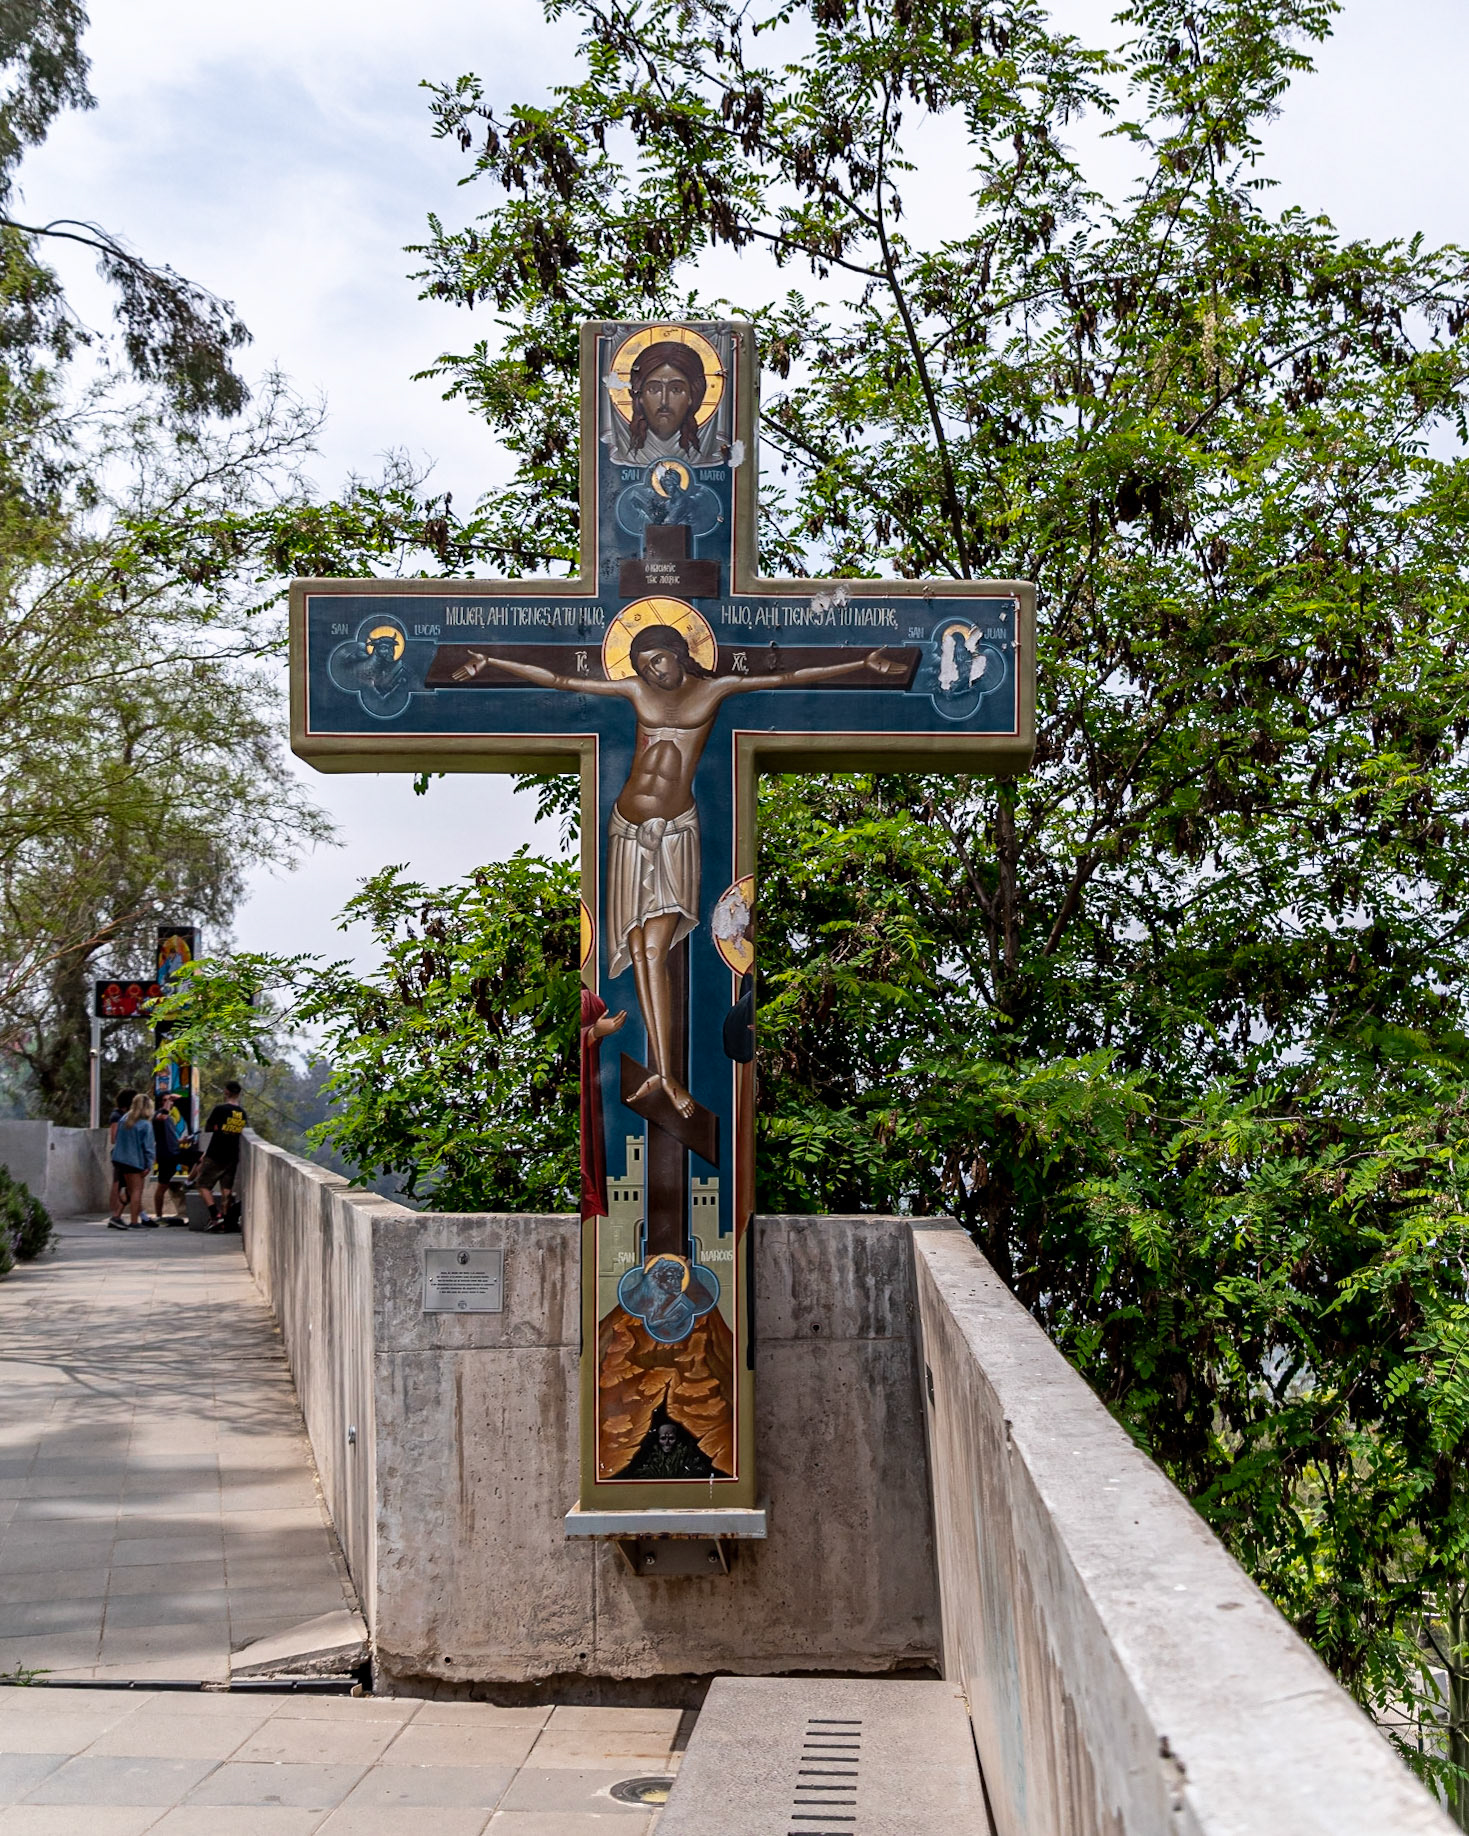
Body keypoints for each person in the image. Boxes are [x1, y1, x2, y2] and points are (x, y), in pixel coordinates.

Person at [482, 625, 907, 1117]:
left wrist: (862, 664)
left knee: (657, 949)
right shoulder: (635, 690)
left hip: (675, 833)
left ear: (680, 653)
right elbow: (560, 681)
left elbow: (789, 677)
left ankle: (669, 1076)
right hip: (625, 830)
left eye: (658, 660)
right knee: (640, 951)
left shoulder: (713, 689)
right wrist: (494, 663)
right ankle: (661, 1072)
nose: (652, 672)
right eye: (642, 666)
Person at [195, 1080, 247, 1227]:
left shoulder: (220, 1109)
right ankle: (226, 1218)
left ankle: (214, 1214)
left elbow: (209, 1127)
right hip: (232, 1155)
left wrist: (219, 1127)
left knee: (202, 1184)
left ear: (226, 1092)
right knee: (227, 1188)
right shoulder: (242, 1113)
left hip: (216, 1153)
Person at [109, 1093, 155, 1230]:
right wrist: (148, 1164)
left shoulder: (124, 1120)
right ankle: (134, 1221)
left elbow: (116, 1138)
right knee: (136, 1191)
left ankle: (116, 1216)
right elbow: (148, 1147)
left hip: (119, 1159)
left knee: (129, 1190)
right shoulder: (145, 1125)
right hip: (135, 1161)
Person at [152, 1092, 184, 1223]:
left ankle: (190, 1181)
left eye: (170, 1100)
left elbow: (172, 1138)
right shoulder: (159, 1115)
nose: (170, 1102)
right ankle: (159, 1215)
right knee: (162, 1185)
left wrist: (182, 1141)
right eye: (166, 1100)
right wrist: (168, 1102)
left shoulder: (169, 1119)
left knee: (198, 1158)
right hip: (165, 1155)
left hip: (175, 1151)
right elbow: (161, 1116)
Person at [106, 1087, 136, 1227]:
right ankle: (115, 1215)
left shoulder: (126, 1116)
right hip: (121, 1155)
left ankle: (117, 1214)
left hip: (126, 1154)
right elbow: (114, 1137)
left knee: (126, 1186)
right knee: (119, 1184)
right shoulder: (117, 1116)